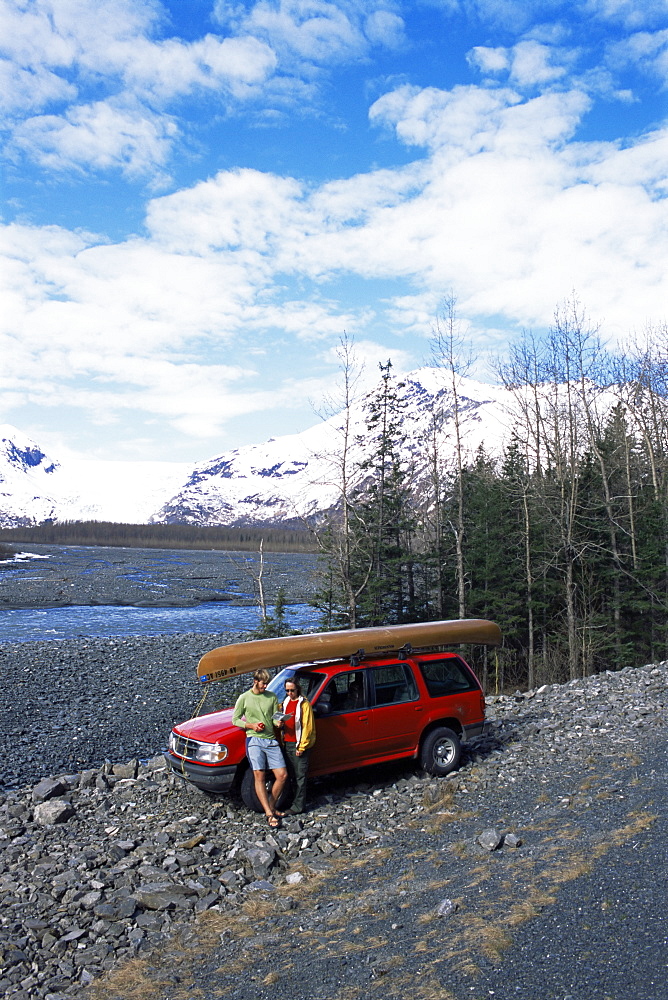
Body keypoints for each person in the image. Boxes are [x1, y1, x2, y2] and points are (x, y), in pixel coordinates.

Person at [232, 669, 288, 827]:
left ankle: (271, 805)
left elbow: (275, 716)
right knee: (259, 775)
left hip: (270, 740)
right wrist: (251, 725)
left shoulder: (271, 697)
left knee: (282, 775)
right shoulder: (245, 698)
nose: (265, 687)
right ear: (256, 681)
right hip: (254, 740)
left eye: (266, 684)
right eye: (263, 684)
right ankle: (269, 813)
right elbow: (235, 719)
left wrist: (279, 722)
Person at [278, 677, 316, 815]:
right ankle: (292, 801)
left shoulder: (304, 705)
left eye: (292, 690)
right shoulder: (285, 702)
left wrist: (302, 747)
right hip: (286, 742)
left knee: (300, 776)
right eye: (287, 691)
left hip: (298, 744)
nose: (289, 693)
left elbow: (308, 727)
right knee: (291, 775)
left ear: (298, 689)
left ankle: (298, 806)